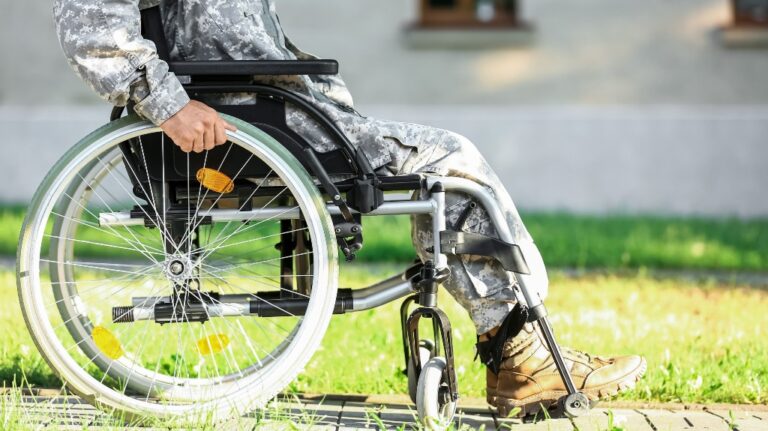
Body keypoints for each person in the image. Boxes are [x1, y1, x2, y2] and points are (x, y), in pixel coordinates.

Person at [53, 0, 646, 417]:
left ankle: (517, 347)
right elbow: (93, 27)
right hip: (250, 126)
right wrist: (168, 106)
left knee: (441, 164)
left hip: (271, 116)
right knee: (454, 163)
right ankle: (519, 350)